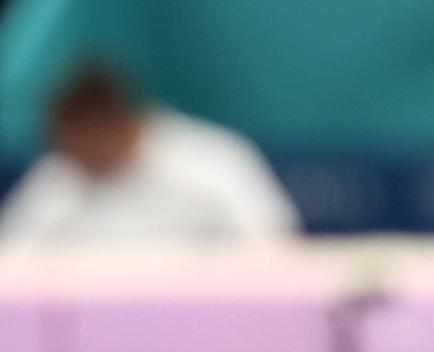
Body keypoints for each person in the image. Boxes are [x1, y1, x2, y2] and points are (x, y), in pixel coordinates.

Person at [0, 60, 299, 245]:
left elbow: (274, 248)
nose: (70, 154)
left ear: (111, 124)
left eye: (77, 142)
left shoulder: (214, 161)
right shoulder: (59, 175)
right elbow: (13, 261)